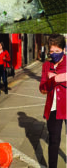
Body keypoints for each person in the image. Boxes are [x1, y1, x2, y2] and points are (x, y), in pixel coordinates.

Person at [39, 34, 66, 168]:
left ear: (63, 50)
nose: (54, 54)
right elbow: (42, 89)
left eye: (57, 51)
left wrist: (61, 77)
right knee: (54, 141)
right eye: (51, 51)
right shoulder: (46, 66)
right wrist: (54, 80)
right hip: (54, 108)